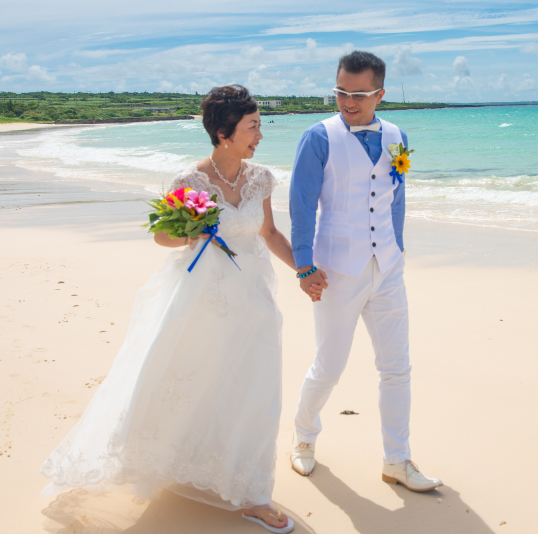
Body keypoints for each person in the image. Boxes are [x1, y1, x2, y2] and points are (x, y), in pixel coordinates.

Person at [39, 85, 316, 533]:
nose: (260, 134)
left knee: (253, 387)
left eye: (259, 125)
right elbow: (162, 238)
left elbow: (268, 233)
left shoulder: (260, 178)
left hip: (252, 300)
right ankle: (177, 456)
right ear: (224, 133)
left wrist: (305, 270)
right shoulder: (189, 182)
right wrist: (192, 230)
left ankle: (251, 492)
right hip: (199, 299)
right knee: (188, 379)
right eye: (252, 127)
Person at [289, 51, 442, 492]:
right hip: (337, 269)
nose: (347, 101)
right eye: (340, 91)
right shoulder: (318, 138)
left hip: (388, 267)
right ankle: (303, 436)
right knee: (329, 366)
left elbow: (396, 196)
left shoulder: (397, 135)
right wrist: (304, 266)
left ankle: (398, 459)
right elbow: (301, 205)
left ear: (380, 94)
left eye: (358, 94)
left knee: (397, 367)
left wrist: (398, 248)